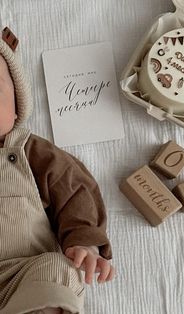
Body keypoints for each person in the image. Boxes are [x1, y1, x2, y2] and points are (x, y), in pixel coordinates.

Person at [0, 27, 115, 314]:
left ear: (17, 107)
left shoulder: (30, 150)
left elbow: (75, 190)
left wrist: (84, 243)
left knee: (60, 269)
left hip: (25, 275)